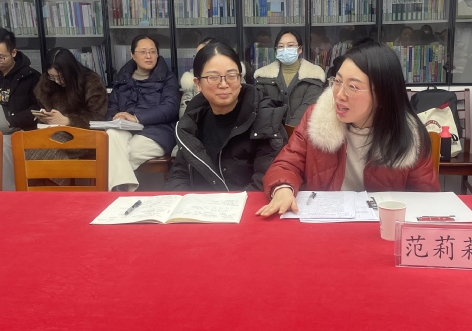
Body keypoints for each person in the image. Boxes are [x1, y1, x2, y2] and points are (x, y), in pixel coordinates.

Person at [257, 40, 440, 218]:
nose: (339, 94)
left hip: (381, 228)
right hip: (325, 223)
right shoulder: (317, 117)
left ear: (383, 96)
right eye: (337, 81)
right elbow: (286, 164)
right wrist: (283, 188)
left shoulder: (410, 134)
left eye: (353, 87)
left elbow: (426, 200)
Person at [166, 42, 287, 191]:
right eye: (213, 77)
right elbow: (179, 175)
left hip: (247, 203)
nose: (223, 84)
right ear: (198, 84)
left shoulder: (266, 118)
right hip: (198, 204)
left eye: (231, 76)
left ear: (240, 78)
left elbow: (265, 181)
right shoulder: (192, 121)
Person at [106, 34, 180, 190]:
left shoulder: (168, 78)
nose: (148, 56)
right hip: (126, 129)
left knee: (116, 156)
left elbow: (170, 108)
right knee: (112, 134)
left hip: (157, 132)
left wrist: (137, 118)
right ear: (132, 55)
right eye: (143, 52)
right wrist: (116, 118)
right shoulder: (122, 79)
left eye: (152, 52)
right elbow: (112, 106)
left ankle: (119, 193)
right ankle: (123, 193)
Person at [253, 29, 326, 125]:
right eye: (281, 46)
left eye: (290, 45)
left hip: (300, 132)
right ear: (276, 50)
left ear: (300, 49)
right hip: (271, 132)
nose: (285, 50)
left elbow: (308, 108)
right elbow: (262, 109)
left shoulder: (314, 76)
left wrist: (290, 130)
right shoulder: (263, 77)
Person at [33, 48, 108, 127]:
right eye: (52, 77)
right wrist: (46, 117)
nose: (57, 81)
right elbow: (41, 105)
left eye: (61, 77)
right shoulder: (46, 82)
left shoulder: (91, 81)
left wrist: (68, 120)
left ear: (70, 71)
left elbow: (97, 117)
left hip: (82, 131)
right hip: (51, 129)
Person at [179, 37, 215, 118]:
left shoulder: (232, 77)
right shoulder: (190, 80)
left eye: (201, 54)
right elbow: (183, 114)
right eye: (197, 55)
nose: (198, 59)